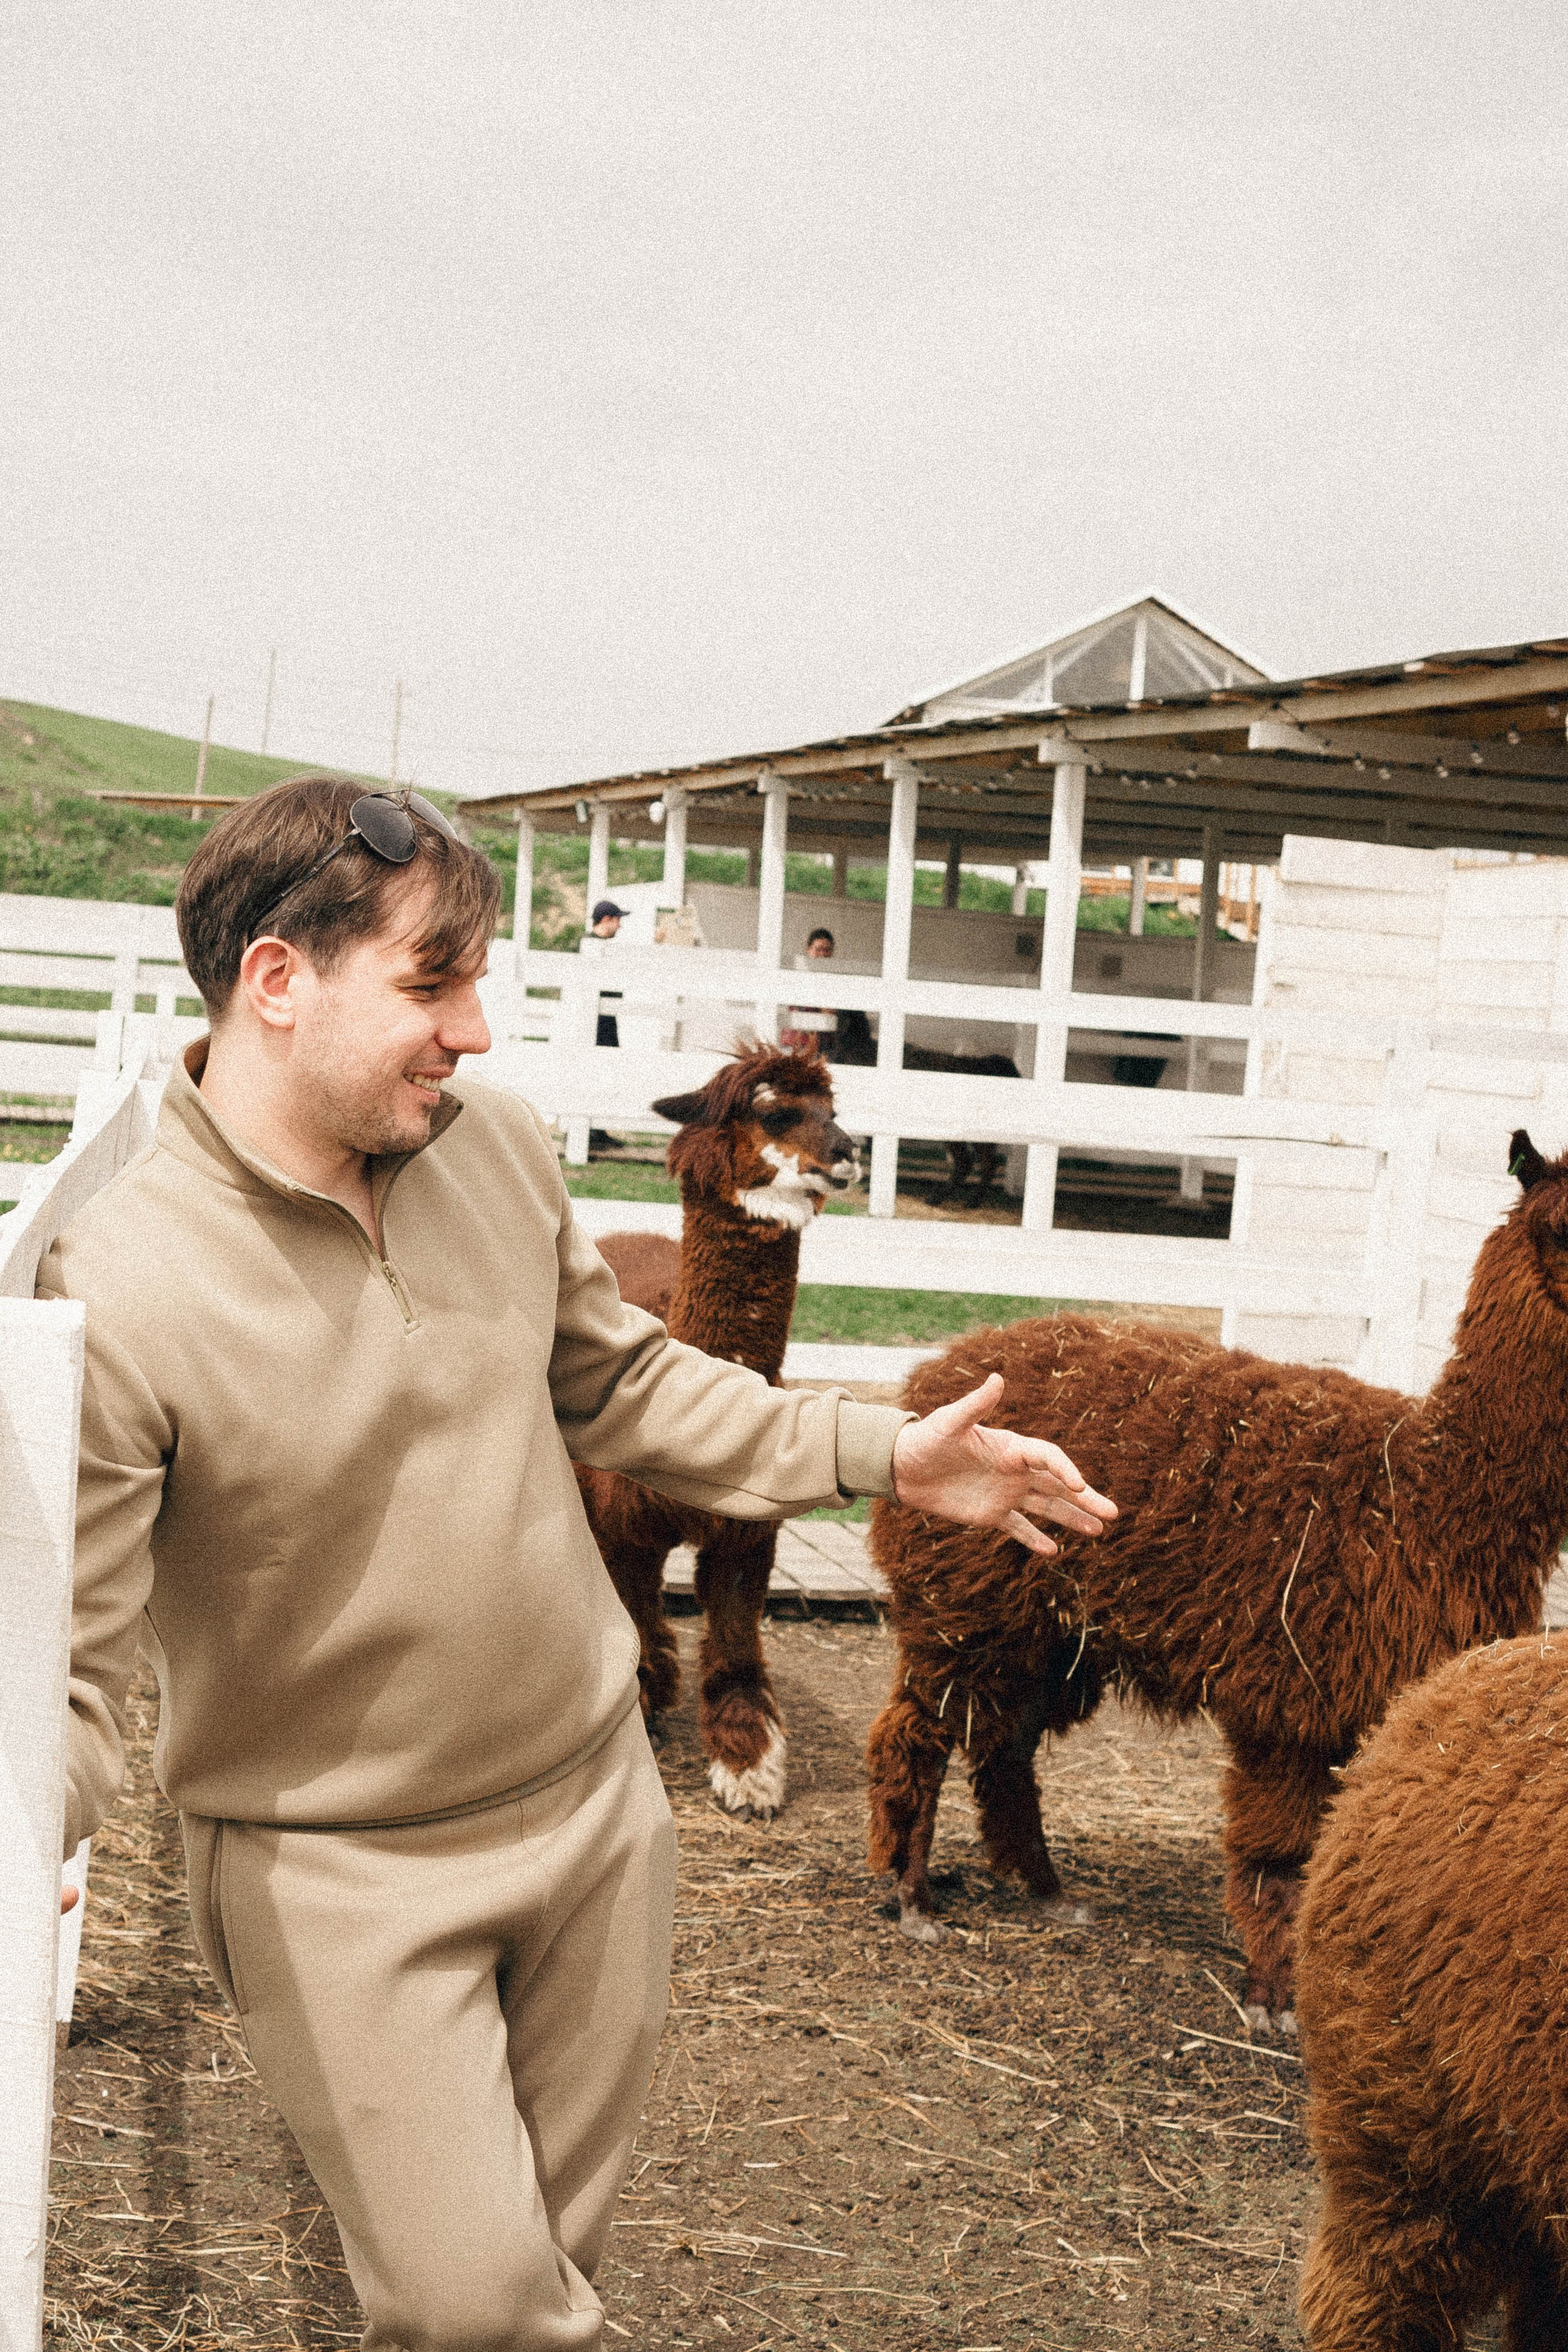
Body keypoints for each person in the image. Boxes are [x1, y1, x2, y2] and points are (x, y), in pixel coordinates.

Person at [42, 774, 1117, 2352]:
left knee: (544, 2271)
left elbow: (618, 1381)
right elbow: (64, 1661)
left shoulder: (498, 1150)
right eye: (433, 982)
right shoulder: (119, 1281)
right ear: (277, 980)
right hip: (334, 1875)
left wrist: (887, 1449)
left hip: (597, 1813)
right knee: (483, 2308)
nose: (474, 1031)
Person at [586, 897, 627, 1152]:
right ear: (607, 920)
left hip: (605, 1020)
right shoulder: (593, 946)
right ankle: (591, 1132)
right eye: (617, 920)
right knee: (596, 1071)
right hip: (598, 1022)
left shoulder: (599, 946)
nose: (619, 927)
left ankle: (597, 1129)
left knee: (603, 1072)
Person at [780, 922, 837, 1052]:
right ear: (808, 949)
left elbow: (829, 1016)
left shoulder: (834, 980)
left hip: (821, 1045)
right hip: (794, 1042)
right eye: (818, 950)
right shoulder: (798, 975)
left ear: (832, 952)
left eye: (827, 950)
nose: (822, 954)